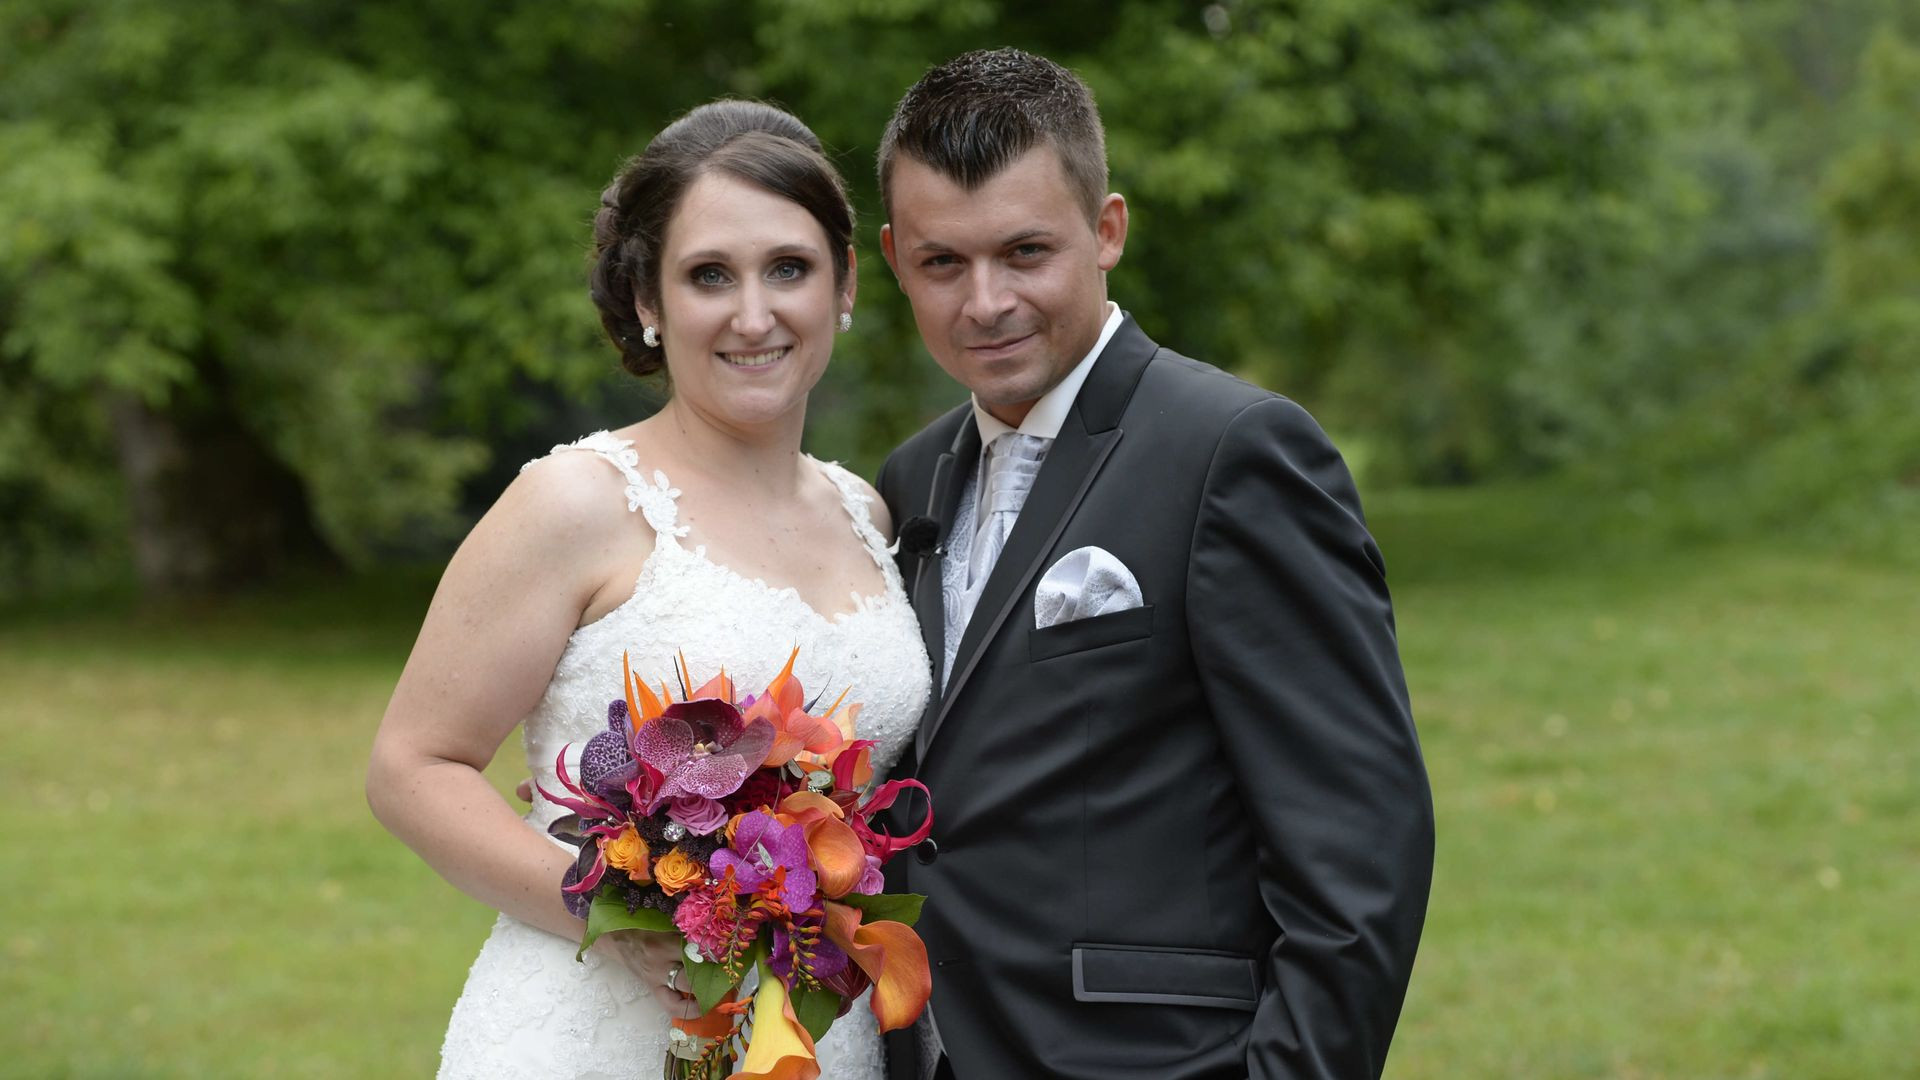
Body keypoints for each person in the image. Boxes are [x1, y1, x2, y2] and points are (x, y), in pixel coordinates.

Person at [870, 49, 1435, 1079]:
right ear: (896, 259)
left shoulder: (1235, 451)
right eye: (944, 263)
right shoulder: (907, 485)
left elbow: (1358, 850)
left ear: (1107, 231)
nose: (985, 302)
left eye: (1026, 252)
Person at [365, 100, 931, 1079]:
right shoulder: (575, 503)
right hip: (589, 1030)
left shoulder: (868, 516)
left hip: (812, 1040)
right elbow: (413, 767)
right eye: (710, 275)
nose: (753, 314)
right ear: (649, 302)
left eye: (788, 269)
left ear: (844, 285)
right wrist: (613, 912)